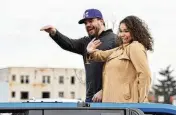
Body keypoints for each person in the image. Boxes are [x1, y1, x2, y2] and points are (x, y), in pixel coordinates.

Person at [40, 9, 118, 102]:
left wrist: (103, 91)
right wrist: (54, 33)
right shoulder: (86, 42)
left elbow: (121, 71)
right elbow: (69, 44)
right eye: (85, 23)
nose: (87, 25)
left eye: (91, 21)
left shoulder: (115, 40)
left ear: (101, 21)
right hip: (90, 99)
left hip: (108, 98)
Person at [86, 15, 154, 103]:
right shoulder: (121, 49)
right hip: (111, 103)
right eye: (121, 31)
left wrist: (142, 100)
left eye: (126, 31)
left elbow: (145, 74)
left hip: (125, 103)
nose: (122, 34)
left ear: (135, 31)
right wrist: (90, 51)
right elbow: (102, 55)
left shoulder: (135, 47)